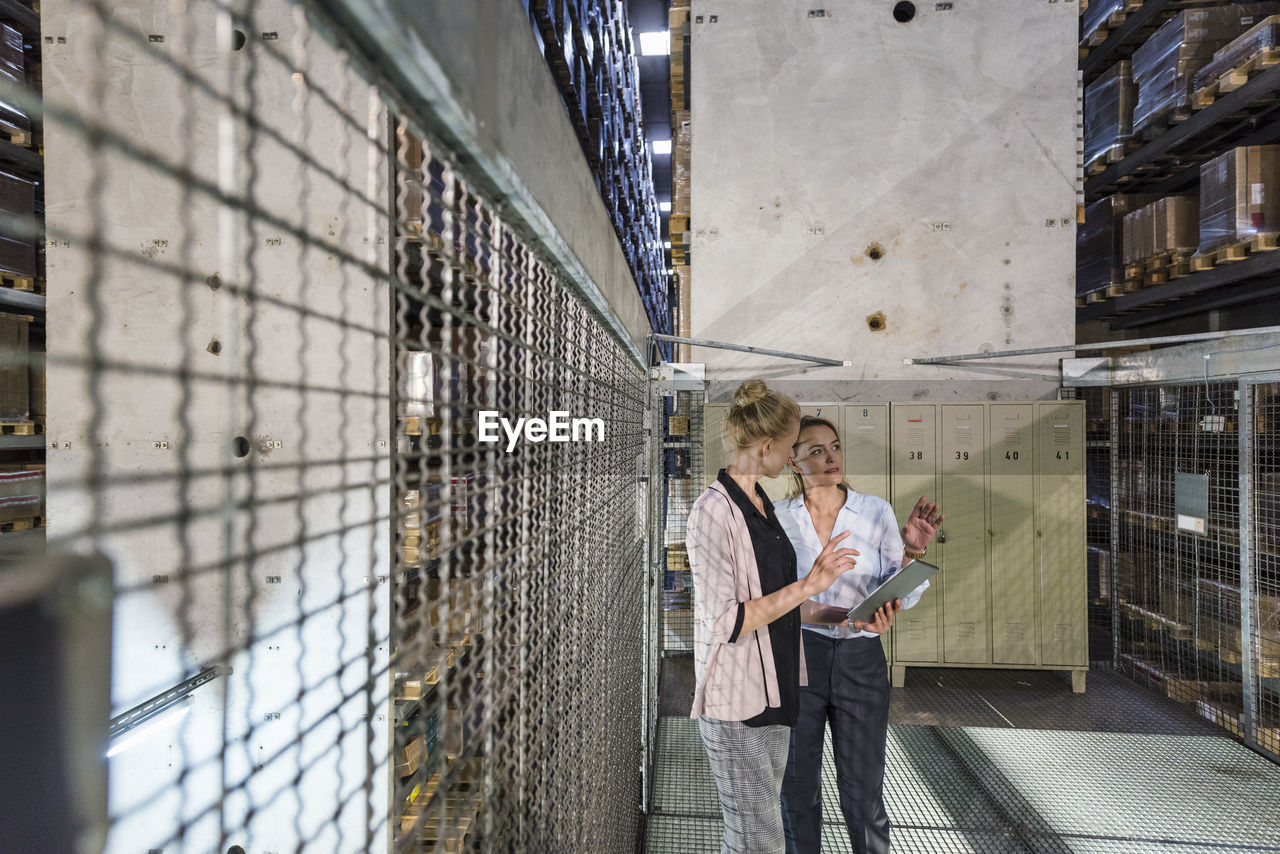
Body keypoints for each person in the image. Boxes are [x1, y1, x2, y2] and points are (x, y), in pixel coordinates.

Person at [687, 380, 863, 854]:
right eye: (789, 447)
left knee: (761, 834)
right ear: (766, 447)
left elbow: (782, 607)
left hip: (777, 689)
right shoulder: (711, 513)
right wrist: (811, 582)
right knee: (756, 840)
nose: (792, 458)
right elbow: (727, 620)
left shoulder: (764, 507)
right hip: (736, 703)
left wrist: (847, 616)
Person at [776, 415, 943, 854]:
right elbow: (776, 601)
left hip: (862, 661)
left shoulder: (875, 510)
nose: (831, 458)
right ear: (793, 462)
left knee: (862, 792)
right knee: (796, 788)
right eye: (815, 451)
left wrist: (912, 551)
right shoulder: (779, 519)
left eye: (834, 447)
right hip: (799, 658)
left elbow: (900, 593)